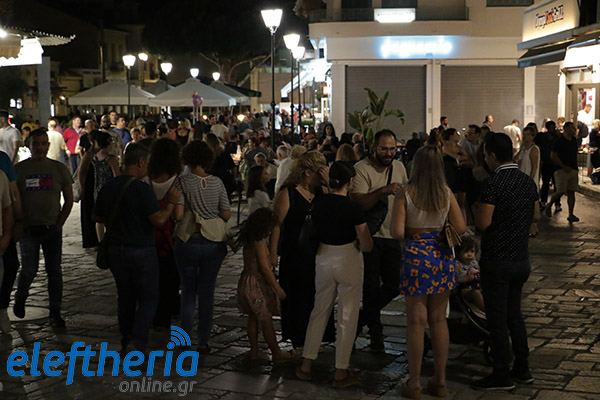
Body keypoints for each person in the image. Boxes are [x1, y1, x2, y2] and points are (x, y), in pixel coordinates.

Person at [390, 145, 465, 399]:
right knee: (438, 319)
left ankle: (414, 384)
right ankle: (440, 380)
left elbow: (396, 232)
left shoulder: (406, 193)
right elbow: (460, 227)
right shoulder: (446, 193)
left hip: (415, 258)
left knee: (416, 321)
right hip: (441, 257)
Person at [94, 143, 181, 352]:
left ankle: (126, 339)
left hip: (116, 250)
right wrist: (171, 203)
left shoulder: (109, 187)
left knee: (125, 297)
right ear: (141, 162)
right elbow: (159, 220)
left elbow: (97, 217)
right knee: (148, 297)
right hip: (142, 249)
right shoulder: (142, 189)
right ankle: (137, 341)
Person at [296, 162, 373, 388]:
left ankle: (306, 364)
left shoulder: (319, 203)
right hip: (348, 257)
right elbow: (367, 244)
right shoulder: (352, 207)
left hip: (323, 256)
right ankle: (341, 370)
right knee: (347, 314)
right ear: (351, 182)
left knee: (319, 309)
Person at [472, 132, 539, 391]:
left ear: (491, 155)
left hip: (497, 260)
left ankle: (501, 372)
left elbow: (483, 222)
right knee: (514, 315)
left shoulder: (493, 184)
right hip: (521, 259)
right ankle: (522, 367)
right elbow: (535, 216)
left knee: (497, 318)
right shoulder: (527, 182)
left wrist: (477, 210)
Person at [269, 151, 335, 351]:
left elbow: (337, 207)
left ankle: (316, 337)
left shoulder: (322, 192)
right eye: (319, 173)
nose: (321, 178)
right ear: (307, 173)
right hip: (294, 253)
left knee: (317, 296)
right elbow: (276, 225)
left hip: (318, 252)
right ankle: (298, 339)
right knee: (297, 296)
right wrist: (272, 252)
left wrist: (328, 184)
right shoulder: (288, 193)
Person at [350, 129, 408, 351]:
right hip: (370, 235)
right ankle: (376, 335)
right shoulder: (361, 169)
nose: (389, 153)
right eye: (384, 149)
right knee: (371, 287)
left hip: (392, 235)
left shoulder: (399, 168)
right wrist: (383, 191)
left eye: (392, 149)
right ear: (374, 147)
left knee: (394, 284)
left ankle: (360, 320)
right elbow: (359, 203)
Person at [173, 141, 231, 354]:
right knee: (207, 291)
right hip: (213, 242)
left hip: (188, 240)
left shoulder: (181, 182)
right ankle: (203, 341)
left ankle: (184, 339)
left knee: (188, 290)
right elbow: (226, 214)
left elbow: (179, 215)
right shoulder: (217, 182)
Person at [13, 129, 73, 327]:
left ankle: (55, 311)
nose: (39, 147)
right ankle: (21, 297)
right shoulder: (19, 170)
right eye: (35, 143)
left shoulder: (59, 168)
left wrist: (59, 223)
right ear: (28, 145)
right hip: (29, 229)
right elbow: (13, 199)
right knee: (29, 270)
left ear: (48, 145)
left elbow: (69, 198)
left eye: (43, 143)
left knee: (54, 271)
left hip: (51, 228)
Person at [237, 208, 295, 363]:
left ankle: (254, 350)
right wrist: (277, 288)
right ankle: (276, 352)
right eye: (269, 229)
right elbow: (264, 268)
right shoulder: (259, 244)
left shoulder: (249, 241)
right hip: (256, 285)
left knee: (253, 317)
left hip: (246, 282)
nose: (270, 233)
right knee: (266, 319)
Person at [144, 138, 182, 330]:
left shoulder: (146, 180)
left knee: (152, 278)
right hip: (172, 237)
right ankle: (170, 311)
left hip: (150, 236)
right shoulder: (178, 181)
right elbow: (178, 215)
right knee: (171, 277)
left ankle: (155, 315)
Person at [544, 122, 579, 222]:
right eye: (572, 128)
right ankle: (549, 205)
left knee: (572, 191)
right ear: (566, 128)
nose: (574, 130)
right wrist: (563, 166)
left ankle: (571, 214)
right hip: (561, 170)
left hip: (573, 168)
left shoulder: (574, 140)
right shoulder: (559, 141)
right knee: (560, 190)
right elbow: (553, 156)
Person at [456, 236, 484, 312]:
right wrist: (467, 278)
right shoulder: (458, 265)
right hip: (464, 290)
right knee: (476, 294)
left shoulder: (474, 263)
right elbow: (455, 279)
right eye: (466, 251)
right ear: (459, 253)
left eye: (472, 251)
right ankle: (486, 309)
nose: (469, 254)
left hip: (477, 286)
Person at [535, 120, 560, 207]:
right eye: (552, 128)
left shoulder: (557, 138)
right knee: (545, 183)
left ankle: (557, 203)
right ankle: (543, 201)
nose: (553, 129)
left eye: (554, 128)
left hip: (555, 163)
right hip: (546, 163)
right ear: (548, 128)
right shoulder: (542, 137)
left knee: (556, 184)